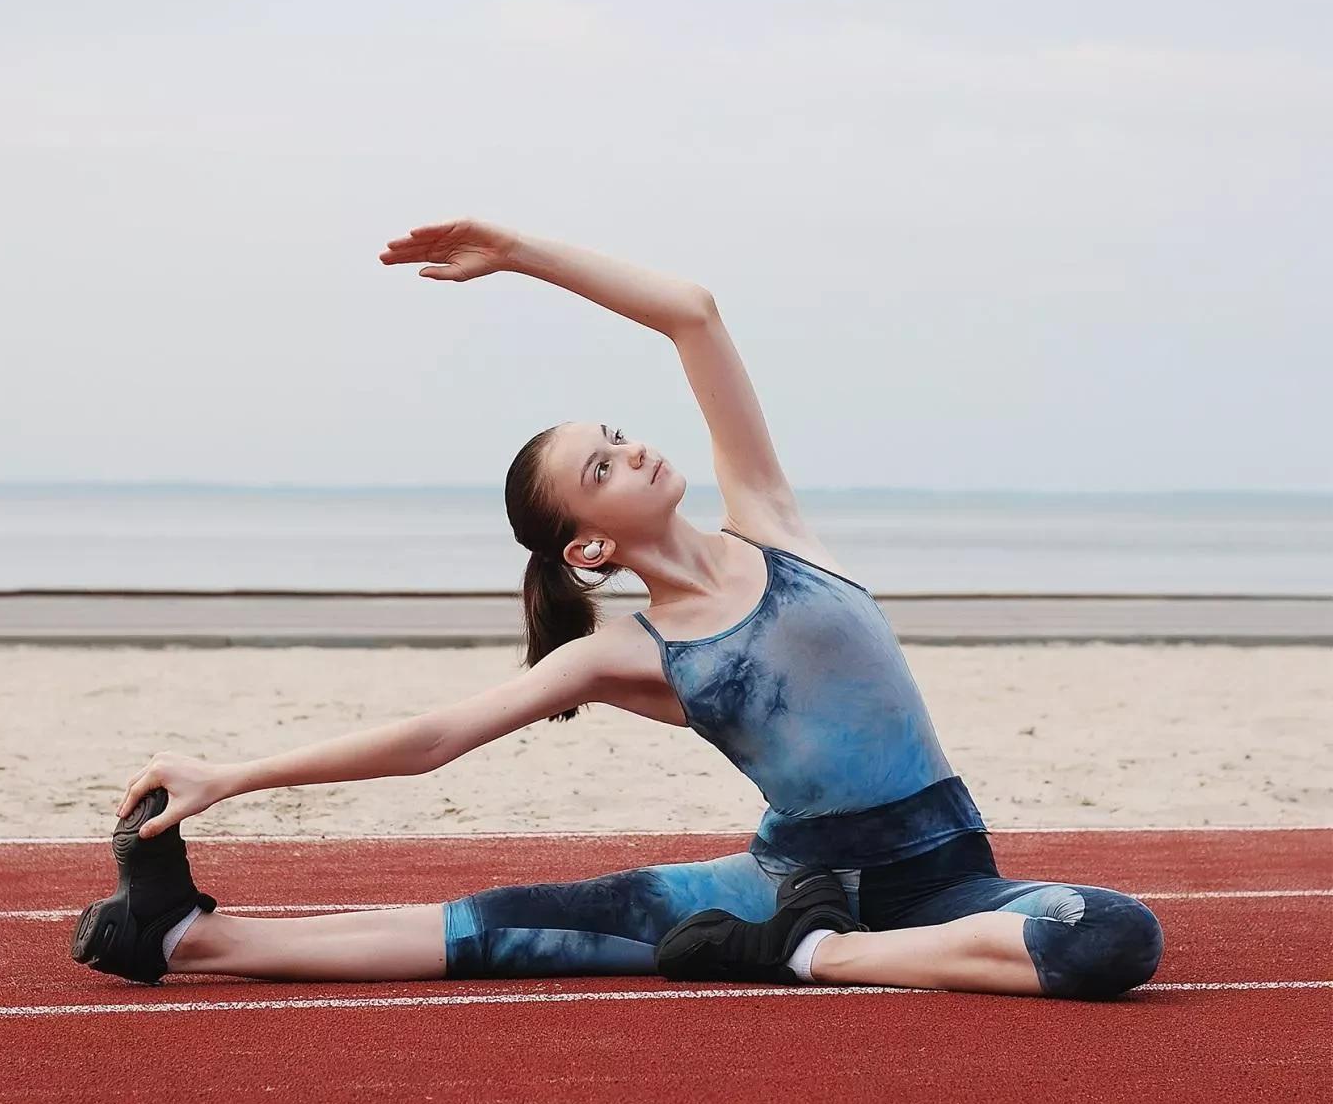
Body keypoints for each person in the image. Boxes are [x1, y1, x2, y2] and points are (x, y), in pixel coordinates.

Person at [72, 221, 1165, 1003]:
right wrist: (233, 776)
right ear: (589, 546)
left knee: (1111, 934)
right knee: (505, 928)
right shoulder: (627, 649)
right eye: (603, 466)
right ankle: (192, 940)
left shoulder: (770, 522)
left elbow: (692, 313)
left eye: (618, 434)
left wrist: (518, 253)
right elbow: (434, 739)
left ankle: (811, 954)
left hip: (944, 881)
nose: (633, 449)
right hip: (784, 888)